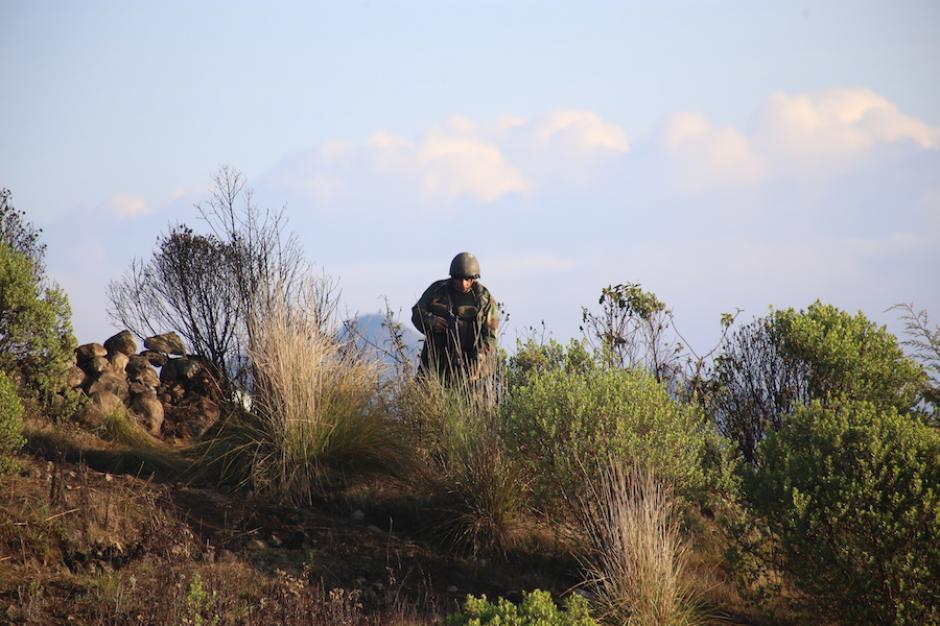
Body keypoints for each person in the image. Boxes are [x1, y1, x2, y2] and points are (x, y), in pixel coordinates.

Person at [411, 252, 499, 381]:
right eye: (459, 279)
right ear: (452, 277)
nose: (463, 284)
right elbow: (417, 312)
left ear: (474, 278)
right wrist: (431, 321)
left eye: (467, 279)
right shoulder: (437, 291)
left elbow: (490, 337)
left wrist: (478, 361)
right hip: (436, 362)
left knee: (473, 399)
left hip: (472, 367)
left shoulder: (484, 299)